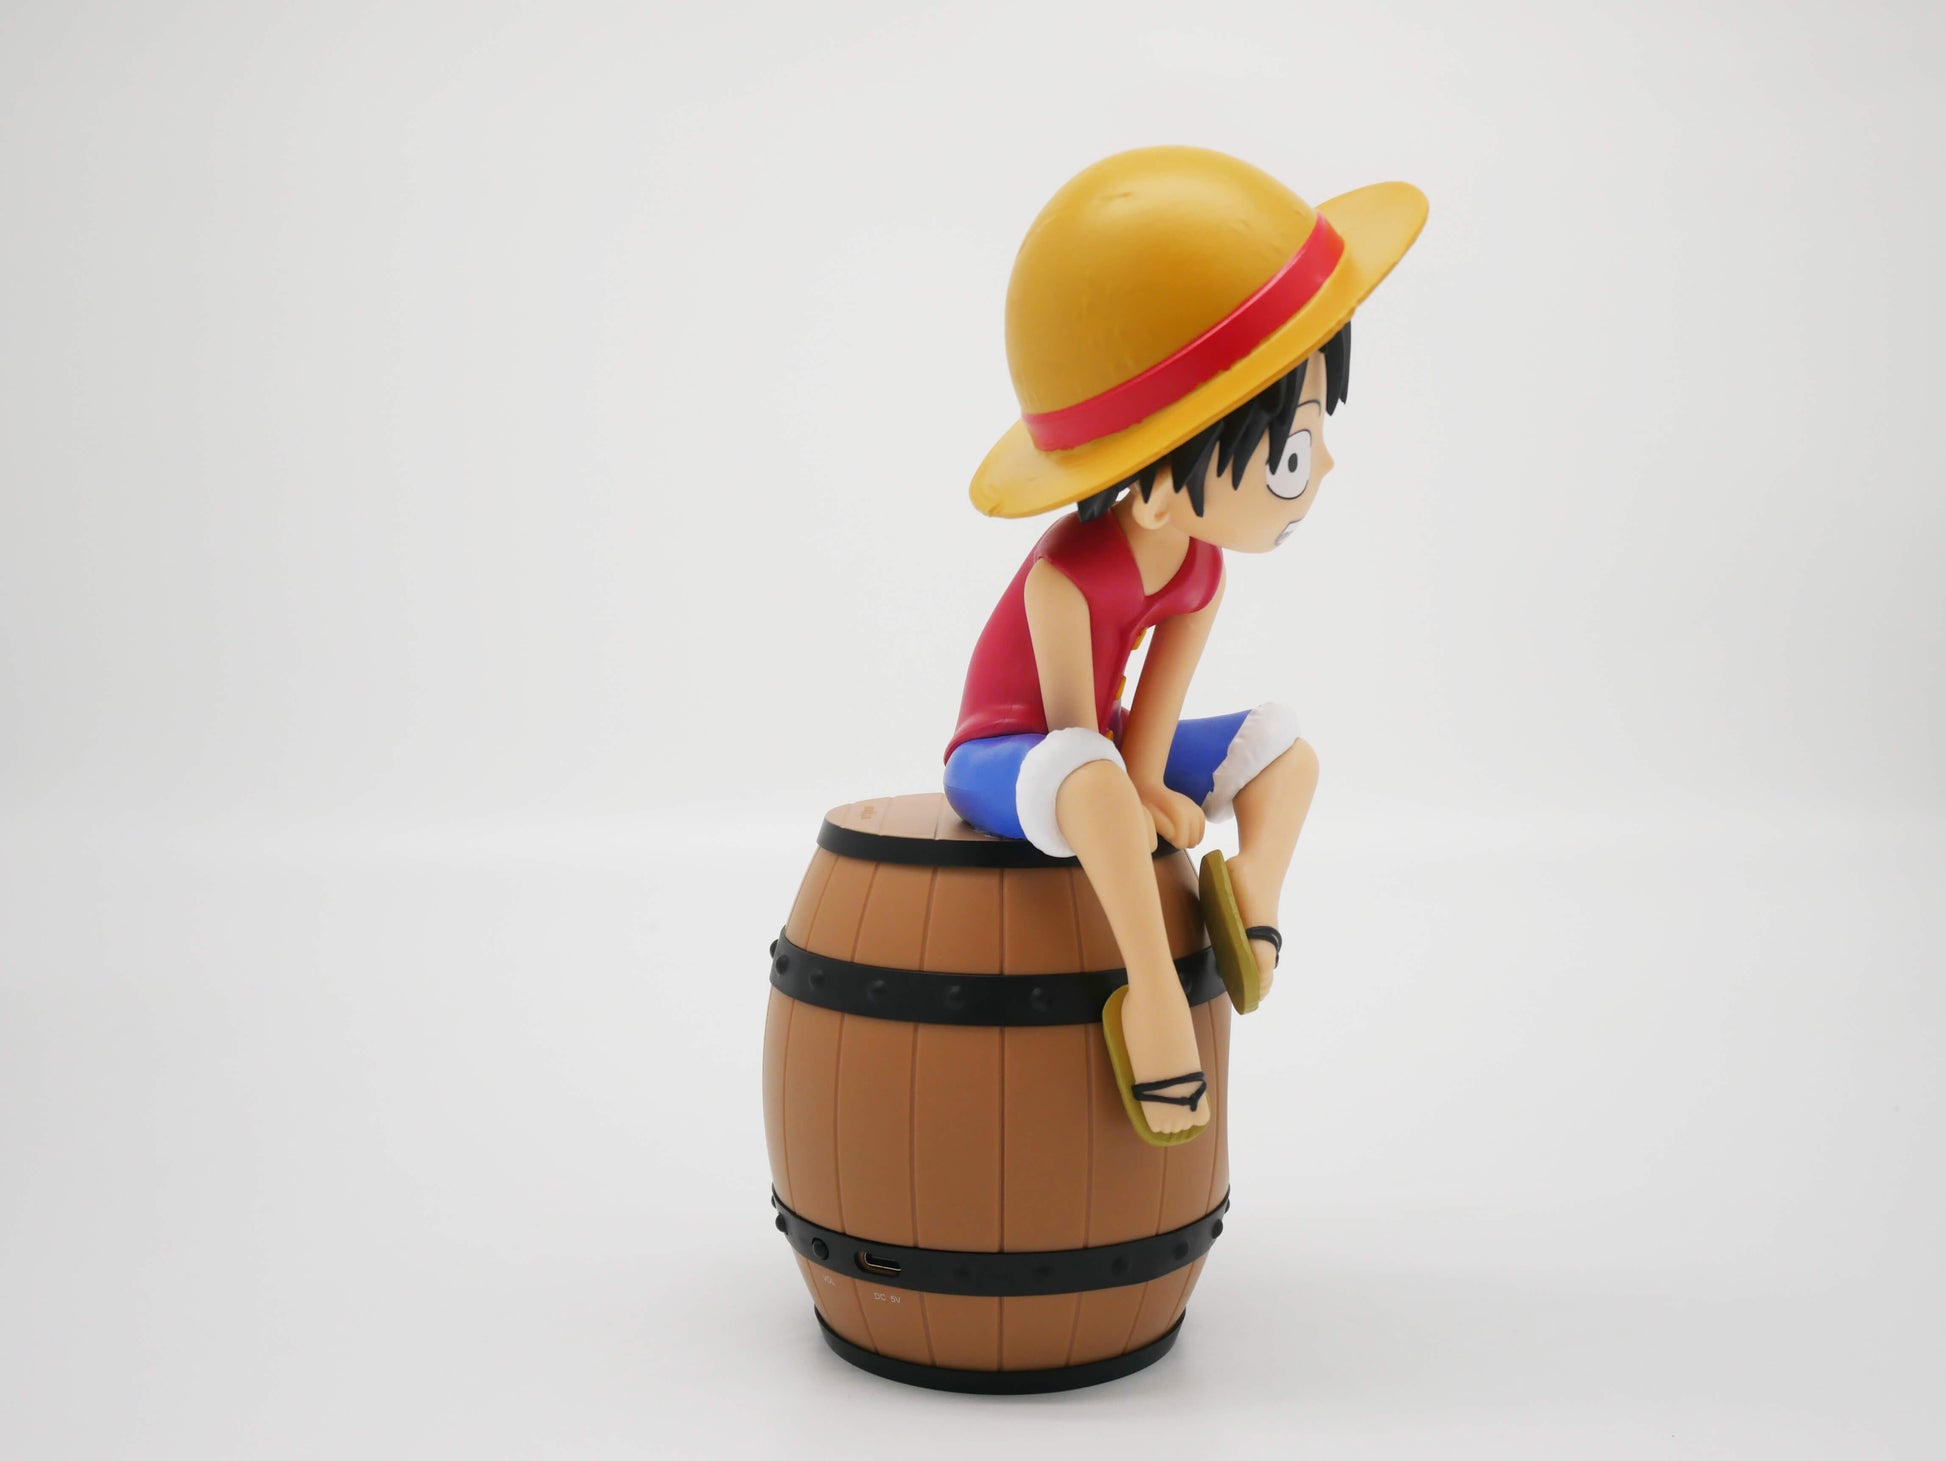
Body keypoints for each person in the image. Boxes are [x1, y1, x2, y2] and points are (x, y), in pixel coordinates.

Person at [944, 146, 1427, 1143]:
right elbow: (1072, 732)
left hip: (1101, 750)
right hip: (1007, 754)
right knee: (1091, 782)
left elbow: (1150, 716)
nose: (1322, 468)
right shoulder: (1063, 575)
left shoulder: (1199, 568)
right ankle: (1154, 997)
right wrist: (1125, 784)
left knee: (1281, 749)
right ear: (1164, 485)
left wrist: (1150, 777)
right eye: (1291, 451)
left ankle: (1252, 891)